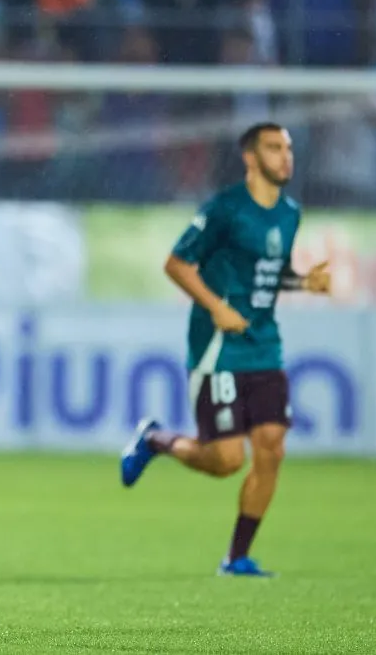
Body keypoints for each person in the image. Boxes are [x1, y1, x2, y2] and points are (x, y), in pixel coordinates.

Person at [120, 122, 332, 577]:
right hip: (219, 347)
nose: (285, 157)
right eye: (274, 149)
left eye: (289, 148)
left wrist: (303, 281)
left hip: (264, 344)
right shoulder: (225, 209)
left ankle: (236, 558)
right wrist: (216, 307)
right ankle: (156, 439)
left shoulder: (290, 212)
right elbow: (176, 264)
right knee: (226, 461)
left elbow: (267, 274)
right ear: (251, 158)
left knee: (272, 447)